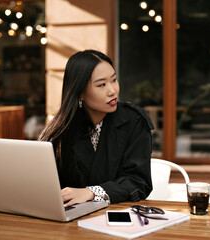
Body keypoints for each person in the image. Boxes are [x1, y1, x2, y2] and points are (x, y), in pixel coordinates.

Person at [38, 49, 153, 207]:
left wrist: (92, 192)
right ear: (80, 93)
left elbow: (139, 182)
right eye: (102, 85)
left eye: (114, 80)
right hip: (73, 219)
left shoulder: (134, 120)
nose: (113, 90)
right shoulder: (62, 131)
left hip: (121, 215)